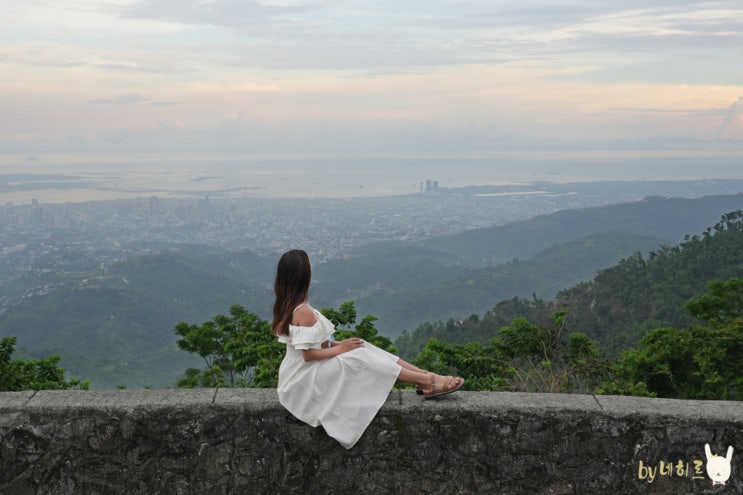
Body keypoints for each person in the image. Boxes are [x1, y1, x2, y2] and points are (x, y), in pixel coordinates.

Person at [273, 249, 464, 449]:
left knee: (361, 345)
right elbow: (309, 355)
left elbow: (315, 345)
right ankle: (427, 381)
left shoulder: (294, 305)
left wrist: (340, 345)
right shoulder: (303, 311)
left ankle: (425, 376)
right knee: (358, 357)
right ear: (304, 274)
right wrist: (341, 349)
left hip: (301, 371)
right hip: (303, 378)